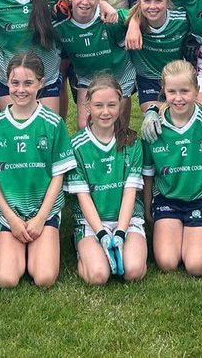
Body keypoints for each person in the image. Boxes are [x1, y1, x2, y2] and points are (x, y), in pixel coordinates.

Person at [0, 54, 76, 288]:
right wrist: (12, 220)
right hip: (10, 214)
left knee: (44, 278)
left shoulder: (53, 123)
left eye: (28, 83)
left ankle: (42, 238)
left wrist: (41, 218)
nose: (21, 90)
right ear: (7, 83)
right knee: (6, 280)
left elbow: (58, 175)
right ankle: (13, 240)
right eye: (15, 83)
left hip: (43, 214)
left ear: (41, 83)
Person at [141, 60, 202, 276]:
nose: (179, 98)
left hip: (200, 200)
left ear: (197, 90)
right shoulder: (154, 128)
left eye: (185, 91)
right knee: (167, 263)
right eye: (172, 91)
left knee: (195, 266)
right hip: (167, 201)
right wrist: (148, 212)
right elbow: (148, 177)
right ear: (163, 91)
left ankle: (197, 231)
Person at [66, 73, 148, 284]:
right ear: (87, 105)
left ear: (120, 105)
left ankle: (125, 248)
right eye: (98, 105)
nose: (105, 112)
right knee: (98, 276)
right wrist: (102, 233)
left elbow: (130, 194)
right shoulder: (75, 145)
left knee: (133, 271)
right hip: (91, 223)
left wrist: (120, 232)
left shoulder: (131, 142)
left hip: (127, 221)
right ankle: (82, 247)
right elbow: (83, 197)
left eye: (112, 105)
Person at [55, 0, 136, 127]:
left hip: (120, 77)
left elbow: (139, 13)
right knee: (85, 127)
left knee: (115, 127)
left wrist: (133, 25)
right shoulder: (60, 26)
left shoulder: (111, 18)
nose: (85, 2)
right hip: (88, 78)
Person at [122, 0, 190, 111]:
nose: (152, 6)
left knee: (179, 116)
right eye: (147, 1)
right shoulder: (127, 19)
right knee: (155, 116)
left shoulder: (182, 20)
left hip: (176, 77)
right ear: (139, 1)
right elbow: (104, 10)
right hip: (148, 80)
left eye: (158, 1)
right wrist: (133, 23)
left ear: (168, 0)